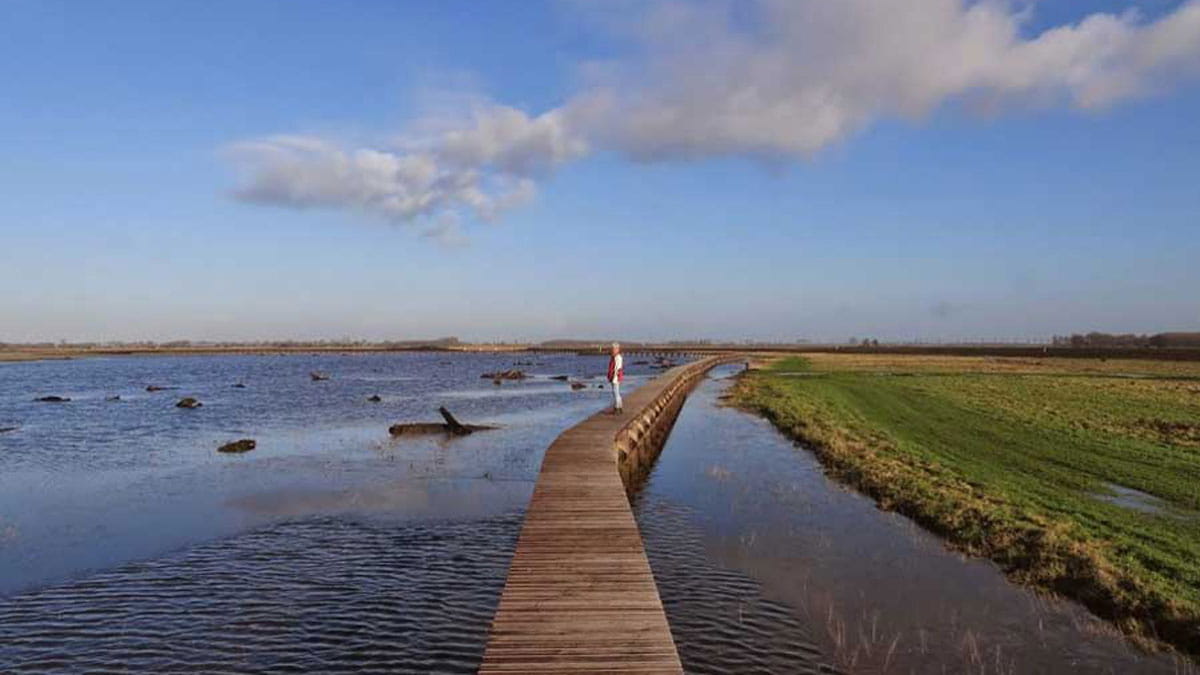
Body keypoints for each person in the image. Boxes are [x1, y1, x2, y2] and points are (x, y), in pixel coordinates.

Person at [607, 342, 624, 413]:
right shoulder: (614, 357)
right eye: (612, 349)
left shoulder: (618, 357)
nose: (612, 350)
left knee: (615, 392)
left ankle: (617, 407)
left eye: (613, 349)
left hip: (616, 377)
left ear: (617, 349)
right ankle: (619, 406)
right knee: (616, 392)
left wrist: (614, 377)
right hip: (614, 376)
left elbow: (617, 368)